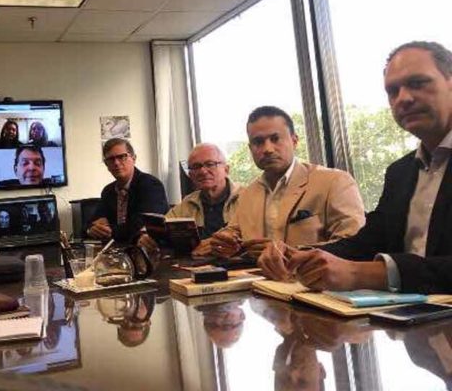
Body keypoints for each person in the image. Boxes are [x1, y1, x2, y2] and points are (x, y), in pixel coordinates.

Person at [259, 42, 452, 294]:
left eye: (417, 83)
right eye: (392, 91)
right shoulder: (400, 172)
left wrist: (366, 274)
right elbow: (366, 243)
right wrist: (298, 255)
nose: (403, 98)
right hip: (405, 315)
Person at [210, 106, 365, 258]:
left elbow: (355, 245)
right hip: (254, 274)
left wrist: (290, 253)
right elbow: (234, 232)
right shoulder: (248, 194)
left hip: (310, 275)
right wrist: (225, 242)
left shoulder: (334, 182)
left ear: (294, 141)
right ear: (250, 149)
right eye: (258, 142)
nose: (268, 149)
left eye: (275, 139)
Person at [137, 143, 242, 254]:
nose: (203, 171)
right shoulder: (188, 203)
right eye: (196, 167)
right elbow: (164, 225)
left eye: (210, 164)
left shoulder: (246, 198)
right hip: (198, 262)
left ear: (226, 169)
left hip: (240, 262)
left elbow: (253, 238)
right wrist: (147, 237)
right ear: (190, 175)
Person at [88, 138, 169, 244]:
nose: (116, 163)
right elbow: (91, 222)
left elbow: (140, 226)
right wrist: (92, 229)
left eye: (122, 157)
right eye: (111, 159)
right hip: (118, 250)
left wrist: (109, 230)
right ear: (106, 165)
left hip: (148, 249)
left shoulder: (151, 185)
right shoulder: (108, 191)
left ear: (134, 158)